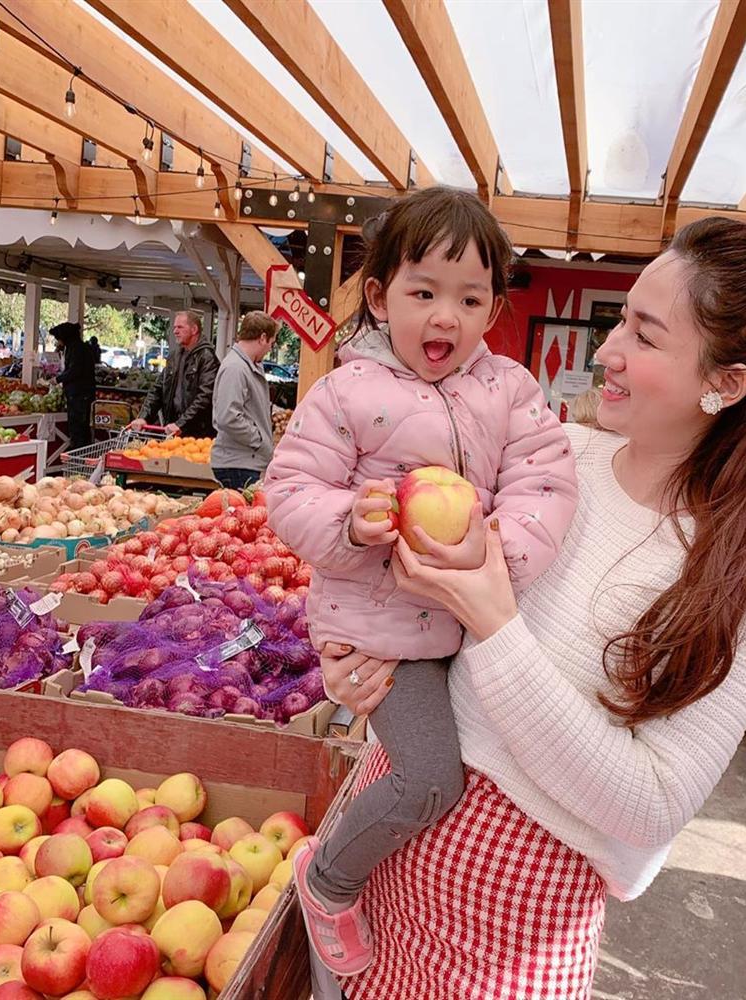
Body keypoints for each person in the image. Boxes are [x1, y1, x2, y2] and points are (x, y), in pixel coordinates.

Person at [319, 217, 746, 999]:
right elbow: (417, 611)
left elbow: (654, 804)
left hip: (517, 925)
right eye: (620, 322)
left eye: (644, 334)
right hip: (385, 834)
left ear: (727, 383)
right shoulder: (554, 457)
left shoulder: (745, 578)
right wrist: (355, 666)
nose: (605, 351)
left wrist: (499, 627)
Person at [263, 187, 579, 978]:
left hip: (464, 626)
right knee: (431, 778)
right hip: (383, 635)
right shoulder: (345, 393)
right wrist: (350, 521)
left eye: (471, 298)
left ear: (493, 307)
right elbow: (290, 489)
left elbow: (545, 481)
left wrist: (495, 564)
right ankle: (329, 877)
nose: (447, 317)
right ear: (379, 296)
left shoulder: (508, 390)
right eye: (424, 293)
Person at [211, 311, 277, 490]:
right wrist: (259, 440)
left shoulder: (246, 365)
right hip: (239, 464)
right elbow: (228, 417)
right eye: (271, 342)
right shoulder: (236, 368)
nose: (270, 348)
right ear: (262, 338)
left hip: (244, 461)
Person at [129, 311, 218, 437]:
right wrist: (143, 417)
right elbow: (158, 389)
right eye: (174, 327)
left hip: (197, 435)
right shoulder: (174, 356)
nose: (175, 331)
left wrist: (181, 424)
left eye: (180, 327)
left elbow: (205, 397)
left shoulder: (207, 357)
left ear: (194, 329)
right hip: (173, 430)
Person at [50, 321, 96, 451]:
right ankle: (80, 453)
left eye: (58, 339)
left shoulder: (76, 349)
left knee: (78, 429)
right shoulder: (77, 347)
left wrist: (58, 379)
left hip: (79, 396)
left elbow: (74, 371)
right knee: (81, 428)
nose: (58, 342)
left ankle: (78, 455)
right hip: (80, 394)